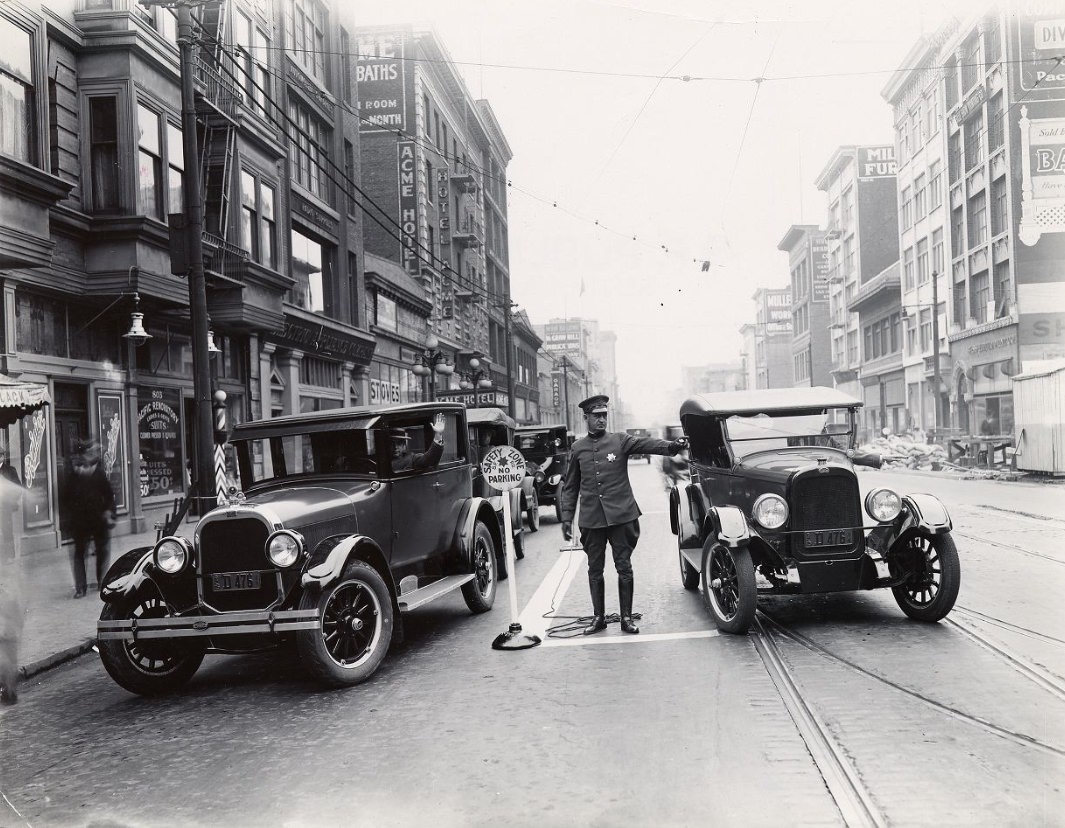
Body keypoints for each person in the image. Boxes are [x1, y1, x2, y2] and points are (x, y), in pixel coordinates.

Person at [560, 395, 688, 635]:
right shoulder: (578, 449)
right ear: (585, 417)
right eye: (596, 416)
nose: (601, 420)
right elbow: (571, 486)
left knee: (624, 567)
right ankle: (598, 618)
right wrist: (567, 517)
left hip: (621, 516)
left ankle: (626, 619)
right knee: (594, 569)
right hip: (592, 520)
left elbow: (646, 444)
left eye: (604, 415)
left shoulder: (620, 441)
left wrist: (672, 447)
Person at [62, 440, 116, 599]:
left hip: (98, 520)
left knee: (102, 551)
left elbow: (109, 495)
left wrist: (109, 511)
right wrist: (69, 517)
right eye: (89, 453)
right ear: (83, 455)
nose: (92, 455)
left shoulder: (99, 473)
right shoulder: (73, 474)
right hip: (79, 522)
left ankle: (101, 581)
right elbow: (65, 498)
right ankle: (80, 588)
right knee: (79, 554)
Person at [0, 445, 24, 562]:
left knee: (7, 530)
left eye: (1, 455)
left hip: (5, 506)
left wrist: (10, 500)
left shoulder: (10, 470)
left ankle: (8, 556)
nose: (0, 457)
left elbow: (18, 487)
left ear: (3, 457)